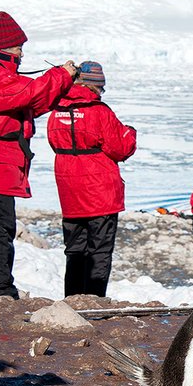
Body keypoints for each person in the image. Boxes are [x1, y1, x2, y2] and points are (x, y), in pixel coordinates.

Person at [0, 11, 78, 298]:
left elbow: (31, 101)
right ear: (2, 47)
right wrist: (61, 74)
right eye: (17, 47)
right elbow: (27, 94)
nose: (21, 53)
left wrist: (61, 82)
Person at [47, 61, 137, 297]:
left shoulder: (56, 111)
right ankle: (94, 299)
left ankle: (73, 298)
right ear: (94, 86)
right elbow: (120, 148)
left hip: (70, 191)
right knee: (100, 249)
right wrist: (130, 132)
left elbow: (55, 142)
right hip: (100, 192)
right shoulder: (100, 111)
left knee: (75, 248)